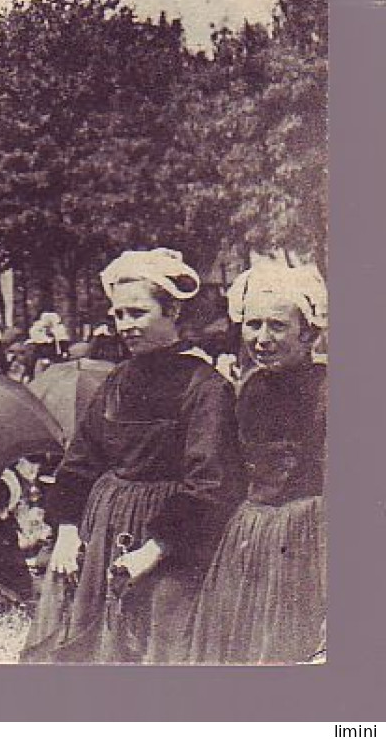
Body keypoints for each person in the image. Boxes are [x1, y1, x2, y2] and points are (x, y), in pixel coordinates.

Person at [22, 249, 243, 663]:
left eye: (137, 313)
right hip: (102, 530)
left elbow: (211, 483)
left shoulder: (205, 385)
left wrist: (153, 550)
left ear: (172, 310)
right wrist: (68, 532)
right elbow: (82, 457)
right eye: (119, 314)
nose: (125, 325)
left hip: (168, 545)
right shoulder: (119, 378)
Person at [188, 263, 327, 663]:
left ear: (309, 333)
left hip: (308, 536)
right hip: (249, 535)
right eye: (253, 325)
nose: (262, 339)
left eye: (277, 326)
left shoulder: (328, 390)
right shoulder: (248, 387)